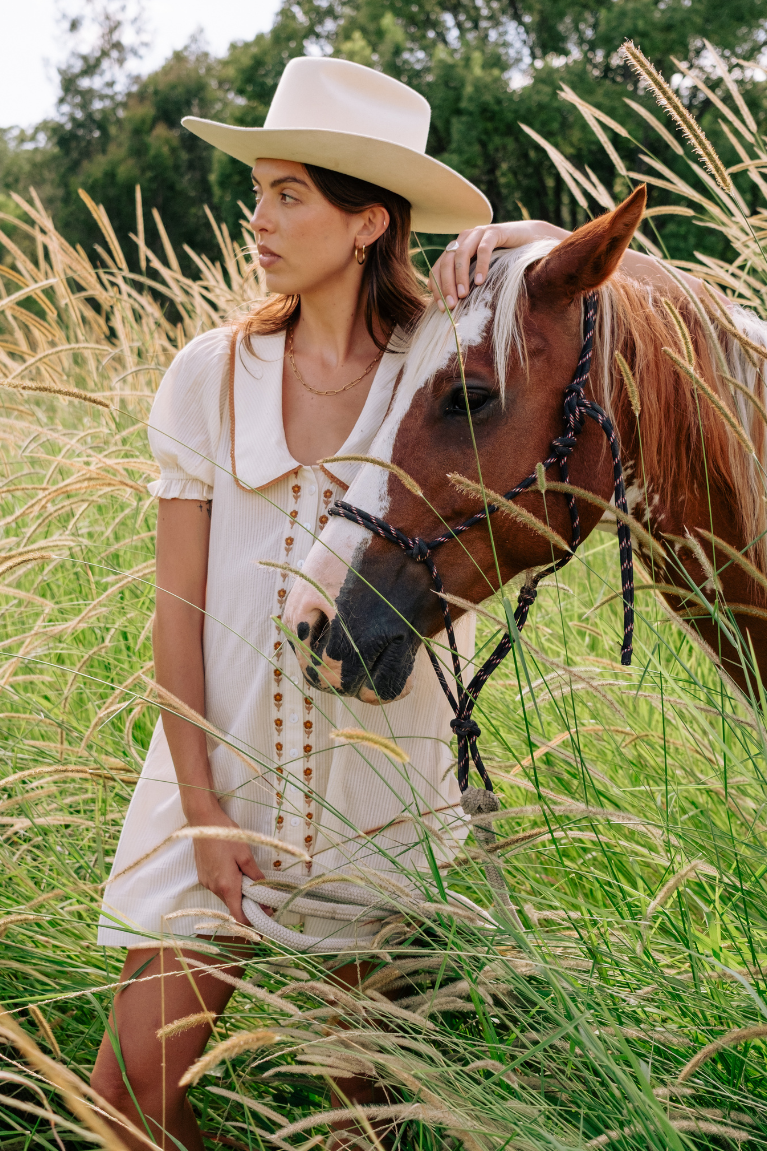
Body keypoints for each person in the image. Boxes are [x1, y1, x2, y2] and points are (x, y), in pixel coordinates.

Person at [90, 54, 711, 1150]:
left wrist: (504, 239)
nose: (259, 220)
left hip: (382, 793)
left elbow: (574, 289)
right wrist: (198, 803)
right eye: (259, 193)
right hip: (219, 776)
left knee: (362, 1122)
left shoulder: (445, 365)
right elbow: (174, 608)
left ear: (369, 221)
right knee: (129, 1095)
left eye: (289, 195)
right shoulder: (207, 372)